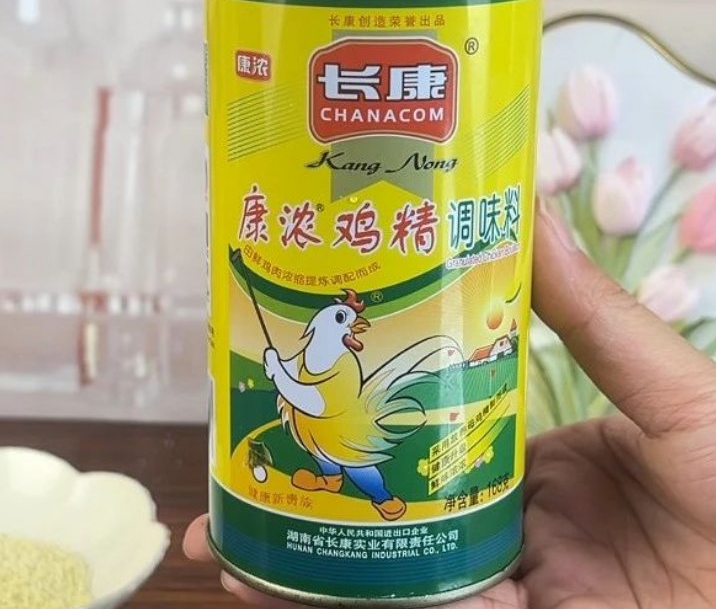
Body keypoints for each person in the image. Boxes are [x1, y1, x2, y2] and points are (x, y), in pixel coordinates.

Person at [184, 200, 716, 608]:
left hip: (338, 426)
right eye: (344, 318)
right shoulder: (311, 348)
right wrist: (281, 367)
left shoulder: (341, 365)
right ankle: (325, 482)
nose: (353, 326)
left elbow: (313, 400)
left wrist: (279, 373)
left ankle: (383, 500)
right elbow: (298, 384)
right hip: (299, 463)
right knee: (322, 453)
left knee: (354, 459)